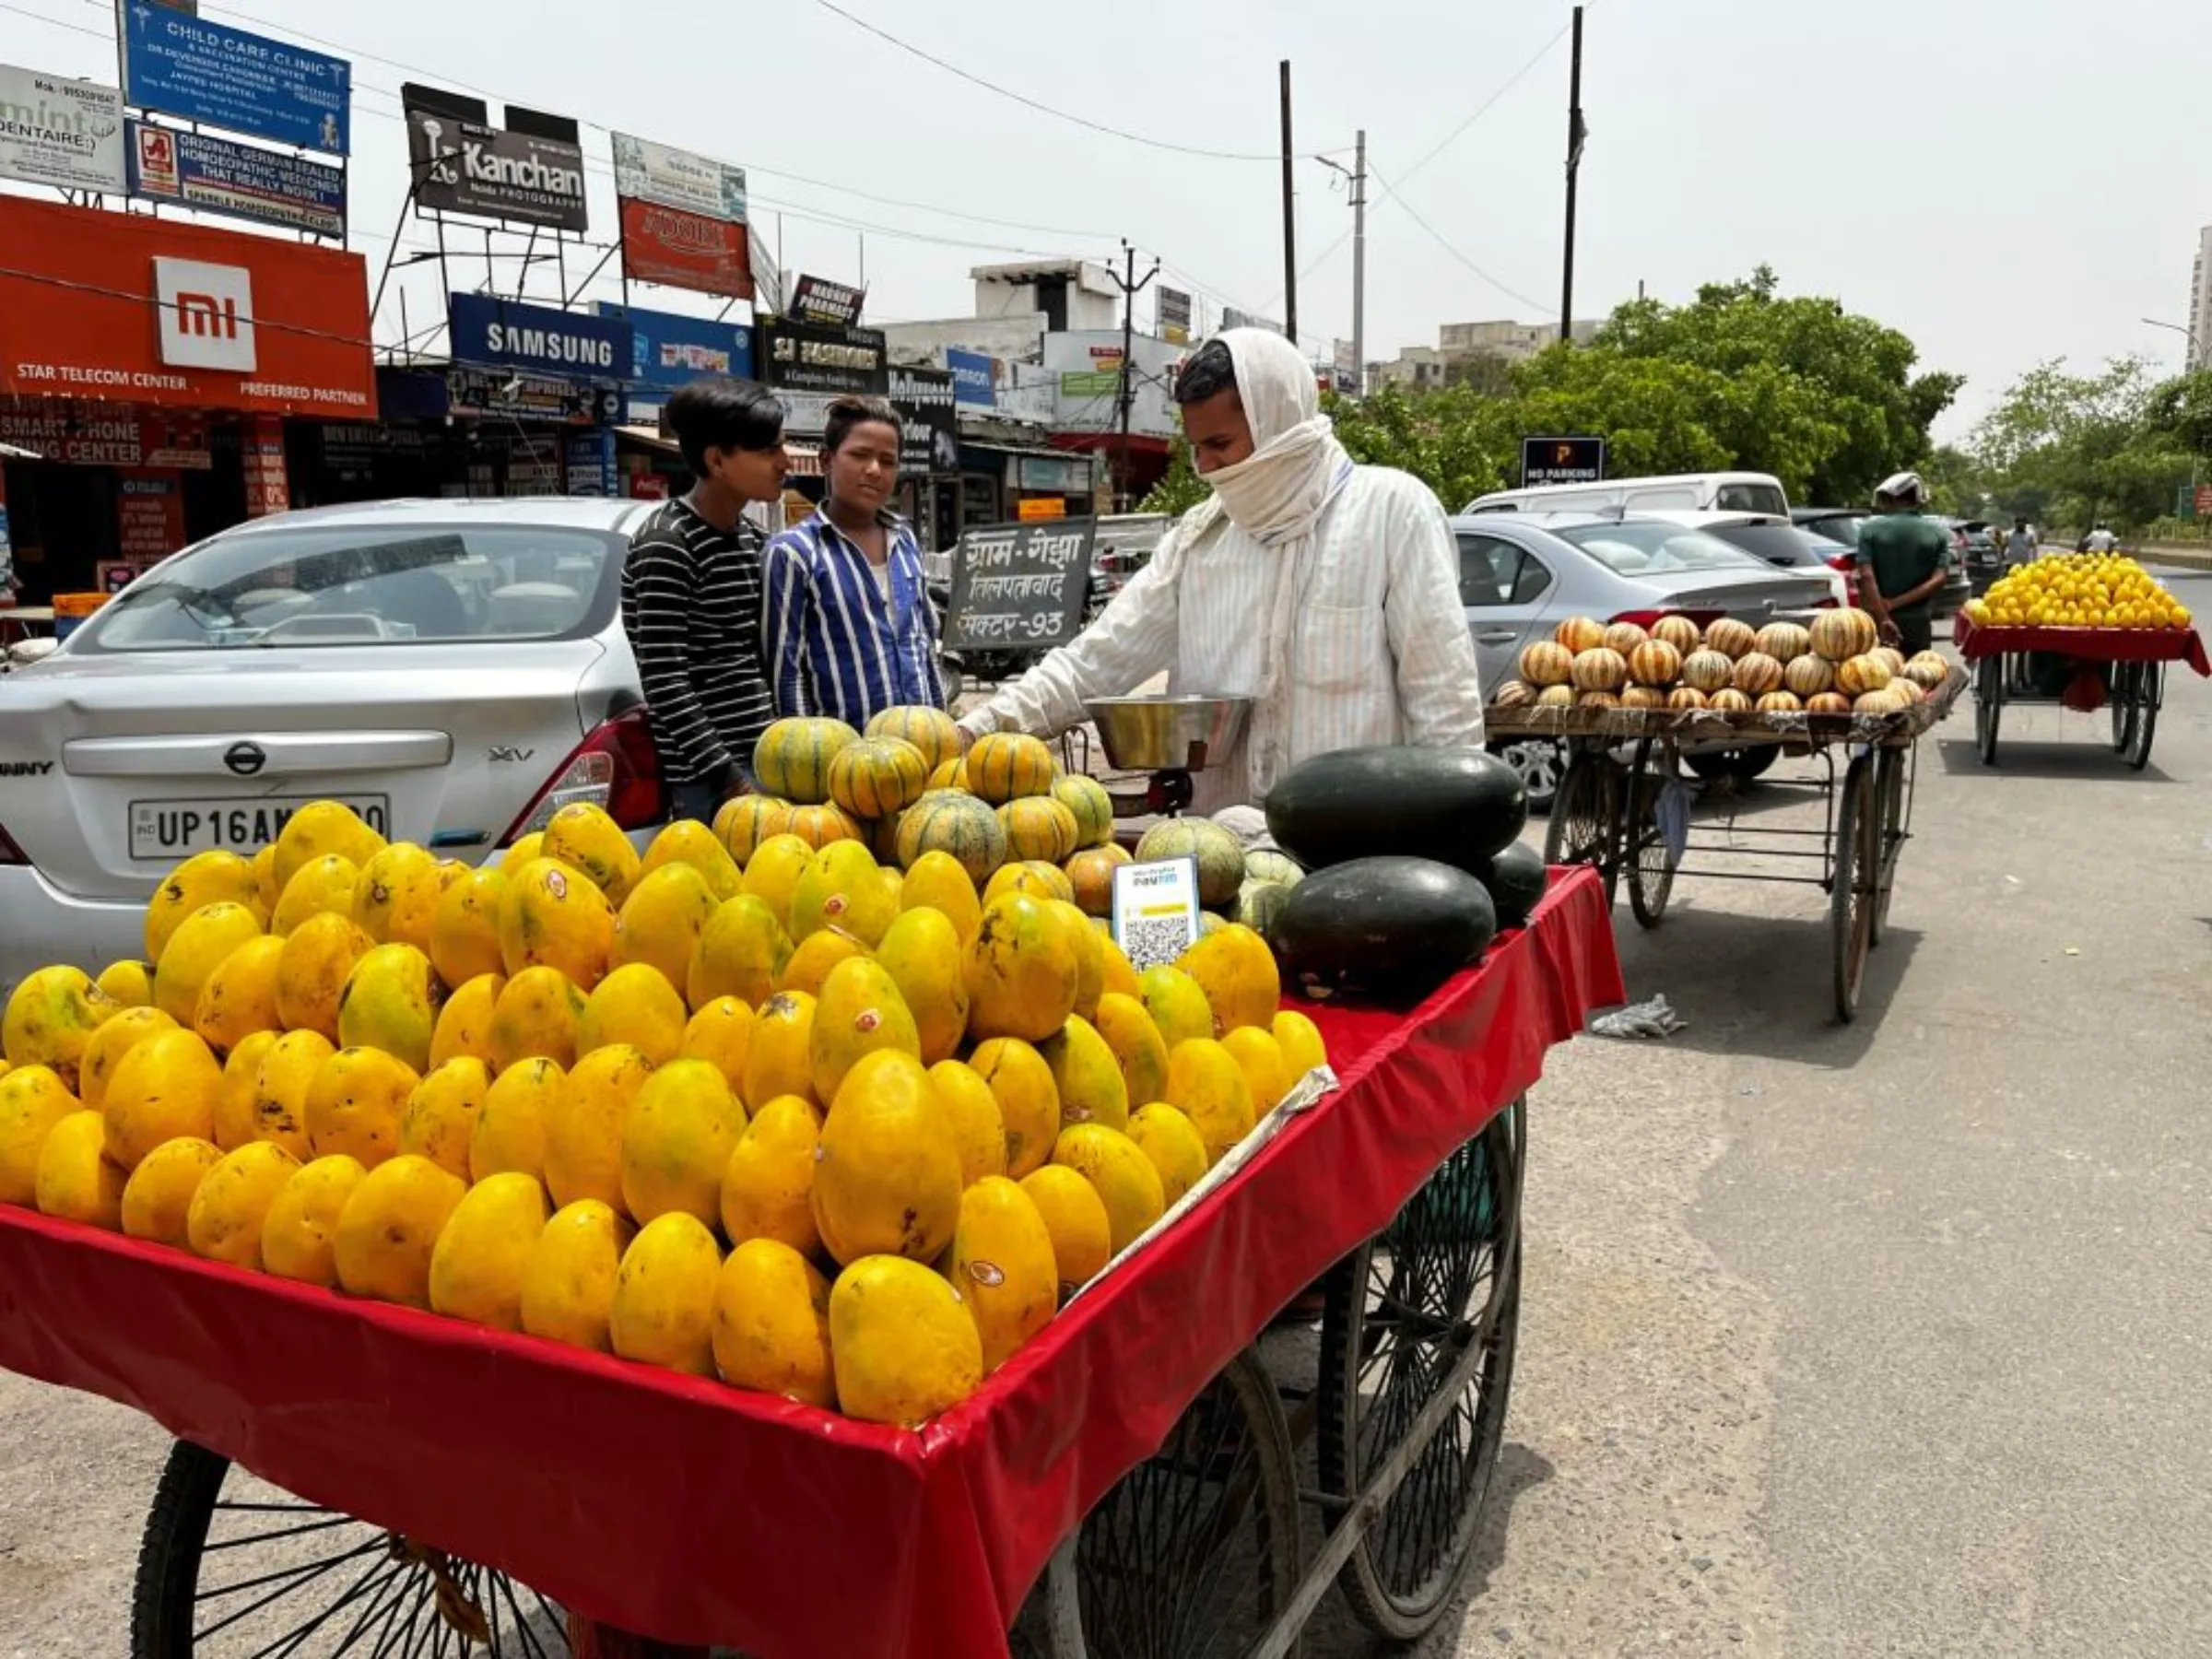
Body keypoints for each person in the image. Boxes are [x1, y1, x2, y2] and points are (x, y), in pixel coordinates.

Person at [954, 329, 1487, 814]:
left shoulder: (1393, 513)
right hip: (1221, 866)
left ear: (1278, 423)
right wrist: (974, 731)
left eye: (1220, 445)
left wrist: (1453, 846)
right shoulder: (1199, 539)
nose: (1206, 468)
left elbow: (1444, 708)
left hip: (1357, 865)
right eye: (1196, 449)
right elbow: (1095, 661)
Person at [618, 376, 785, 822]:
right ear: (716, 460)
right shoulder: (668, 544)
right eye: (769, 451)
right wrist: (729, 778)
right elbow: (665, 681)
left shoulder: (753, 539)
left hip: (765, 762)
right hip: (709, 782)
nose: (785, 463)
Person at [762, 395, 947, 724]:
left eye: (888, 461)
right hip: (841, 762)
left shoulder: (904, 541)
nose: (874, 470)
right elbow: (786, 673)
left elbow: (925, 650)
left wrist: (942, 727)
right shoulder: (794, 553)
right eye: (859, 455)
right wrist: (808, 759)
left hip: (920, 752)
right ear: (826, 461)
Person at [1852, 471, 1954, 656]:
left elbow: (1866, 576)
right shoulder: (1938, 533)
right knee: (1918, 677)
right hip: (1918, 622)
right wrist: (1894, 603)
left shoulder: (1869, 529)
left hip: (1875, 622)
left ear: (1892, 499)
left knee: (1875, 677)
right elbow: (1938, 580)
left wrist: (1884, 617)